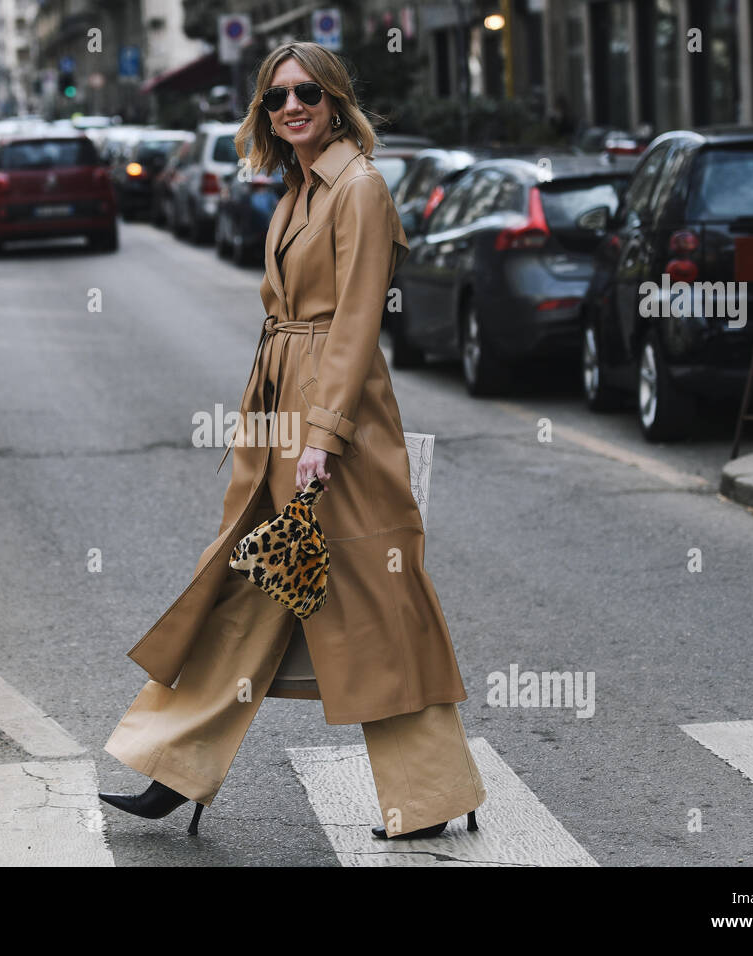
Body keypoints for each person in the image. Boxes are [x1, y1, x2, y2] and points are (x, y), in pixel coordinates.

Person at [99, 41, 487, 842]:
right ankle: (175, 769)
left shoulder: (360, 188)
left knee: (379, 602)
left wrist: (325, 435)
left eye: (307, 92)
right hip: (281, 406)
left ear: (337, 99)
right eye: (277, 98)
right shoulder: (301, 186)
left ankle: (432, 792)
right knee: (245, 585)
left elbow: (355, 322)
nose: (292, 107)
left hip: (331, 423)